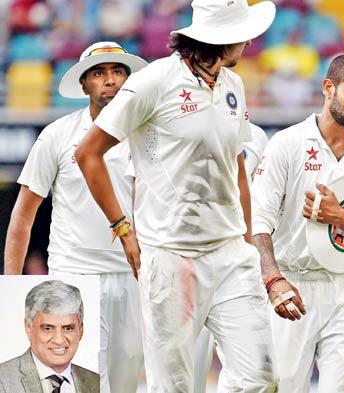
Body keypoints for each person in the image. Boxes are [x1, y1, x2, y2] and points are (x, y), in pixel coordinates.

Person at [73, 0, 277, 391]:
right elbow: (87, 154)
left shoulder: (234, 85)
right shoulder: (154, 82)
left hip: (231, 254)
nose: (250, 42)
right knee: (174, 386)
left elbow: (237, 170)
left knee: (261, 376)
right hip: (172, 258)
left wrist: (250, 243)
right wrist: (123, 229)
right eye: (243, 35)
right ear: (223, 40)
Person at [3, 41, 146, 393]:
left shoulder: (148, 135)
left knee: (125, 383)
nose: (109, 80)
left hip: (137, 275)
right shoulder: (57, 135)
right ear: (84, 85)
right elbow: (23, 214)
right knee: (85, 383)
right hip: (74, 273)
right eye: (99, 73)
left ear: (128, 80)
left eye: (117, 72)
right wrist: (10, 287)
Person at [251, 53, 344, 392]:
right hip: (291, 281)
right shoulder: (288, 143)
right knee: (282, 385)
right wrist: (273, 279)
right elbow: (257, 220)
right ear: (328, 88)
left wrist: (340, 217)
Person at [192, 122, 268, 393]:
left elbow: (259, 197)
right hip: (189, 258)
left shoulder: (258, 137)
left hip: (236, 260)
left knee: (254, 376)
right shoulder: (176, 125)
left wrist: (249, 249)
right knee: (187, 376)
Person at [0, 280, 99, 393]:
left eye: (68, 328)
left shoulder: (96, 382)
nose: (59, 340)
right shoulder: (3, 380)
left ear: (80, 331)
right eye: (48, 329)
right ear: (29, 328)